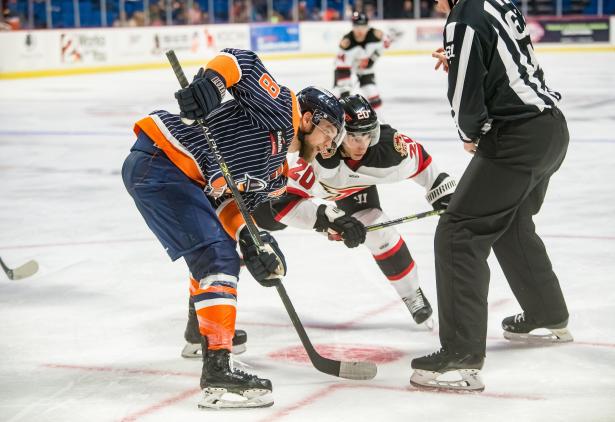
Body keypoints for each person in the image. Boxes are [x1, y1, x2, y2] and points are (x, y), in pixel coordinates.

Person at [122, 48, 345, 409]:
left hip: (177, 177)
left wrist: (254, 241)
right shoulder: (282, 110)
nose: (328, 146)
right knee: (216, 257)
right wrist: (211, 83)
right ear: (308, 119)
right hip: (161, 160)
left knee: (222, 246)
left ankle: (201, 336)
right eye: (329, 132)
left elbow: (230, 206)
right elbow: (241, 62)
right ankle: (218, 373)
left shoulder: (275, 176)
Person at [410, 0, 572, 392]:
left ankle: (460, 357)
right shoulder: (497, 2)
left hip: (516, 136)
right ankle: (547, 313)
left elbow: (465, 90)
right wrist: (460, 56)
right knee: (512, 222)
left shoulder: (464, 14)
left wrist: (472, 133)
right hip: (548, 130)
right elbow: (504, 61)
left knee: (458, 233)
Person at [254, 94, 457, 326]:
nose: (362, 145)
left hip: (352, 192)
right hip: (289, 193)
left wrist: (444, 194)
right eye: (353, 137)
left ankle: (412, 294)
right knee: (267, 220)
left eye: (368, 135)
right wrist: (327, 220)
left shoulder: (388, 149)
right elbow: (283, 204)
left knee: (377, 229)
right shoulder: (315, 151)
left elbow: (424, 165)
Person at [332, 11, 392, 112]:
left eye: (363, 26)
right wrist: (344, 90)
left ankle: (380, 123)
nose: (360, 29)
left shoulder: (376, 35)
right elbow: (341, 67)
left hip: (365, 69)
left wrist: (372, 59)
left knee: (374, 97)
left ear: (367, 26)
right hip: (344, 69)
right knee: (343, 97)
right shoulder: (347, 43)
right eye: (356, 26)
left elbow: (385, 45)